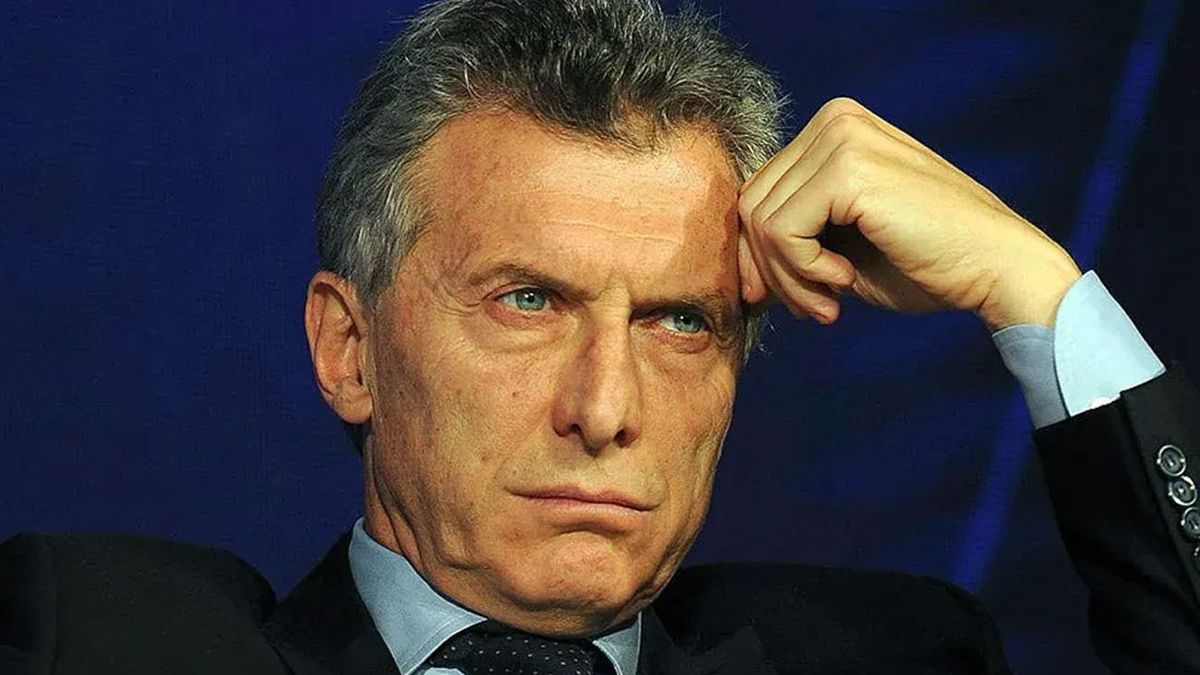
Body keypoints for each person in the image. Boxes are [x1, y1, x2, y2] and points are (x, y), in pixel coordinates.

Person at [3, 0, 1199, 673]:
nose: (607, 409)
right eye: (529, 302)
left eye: (680, 320)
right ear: (349, 350)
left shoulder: (893, 657)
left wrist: (1035, 289)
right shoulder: (96, 639)